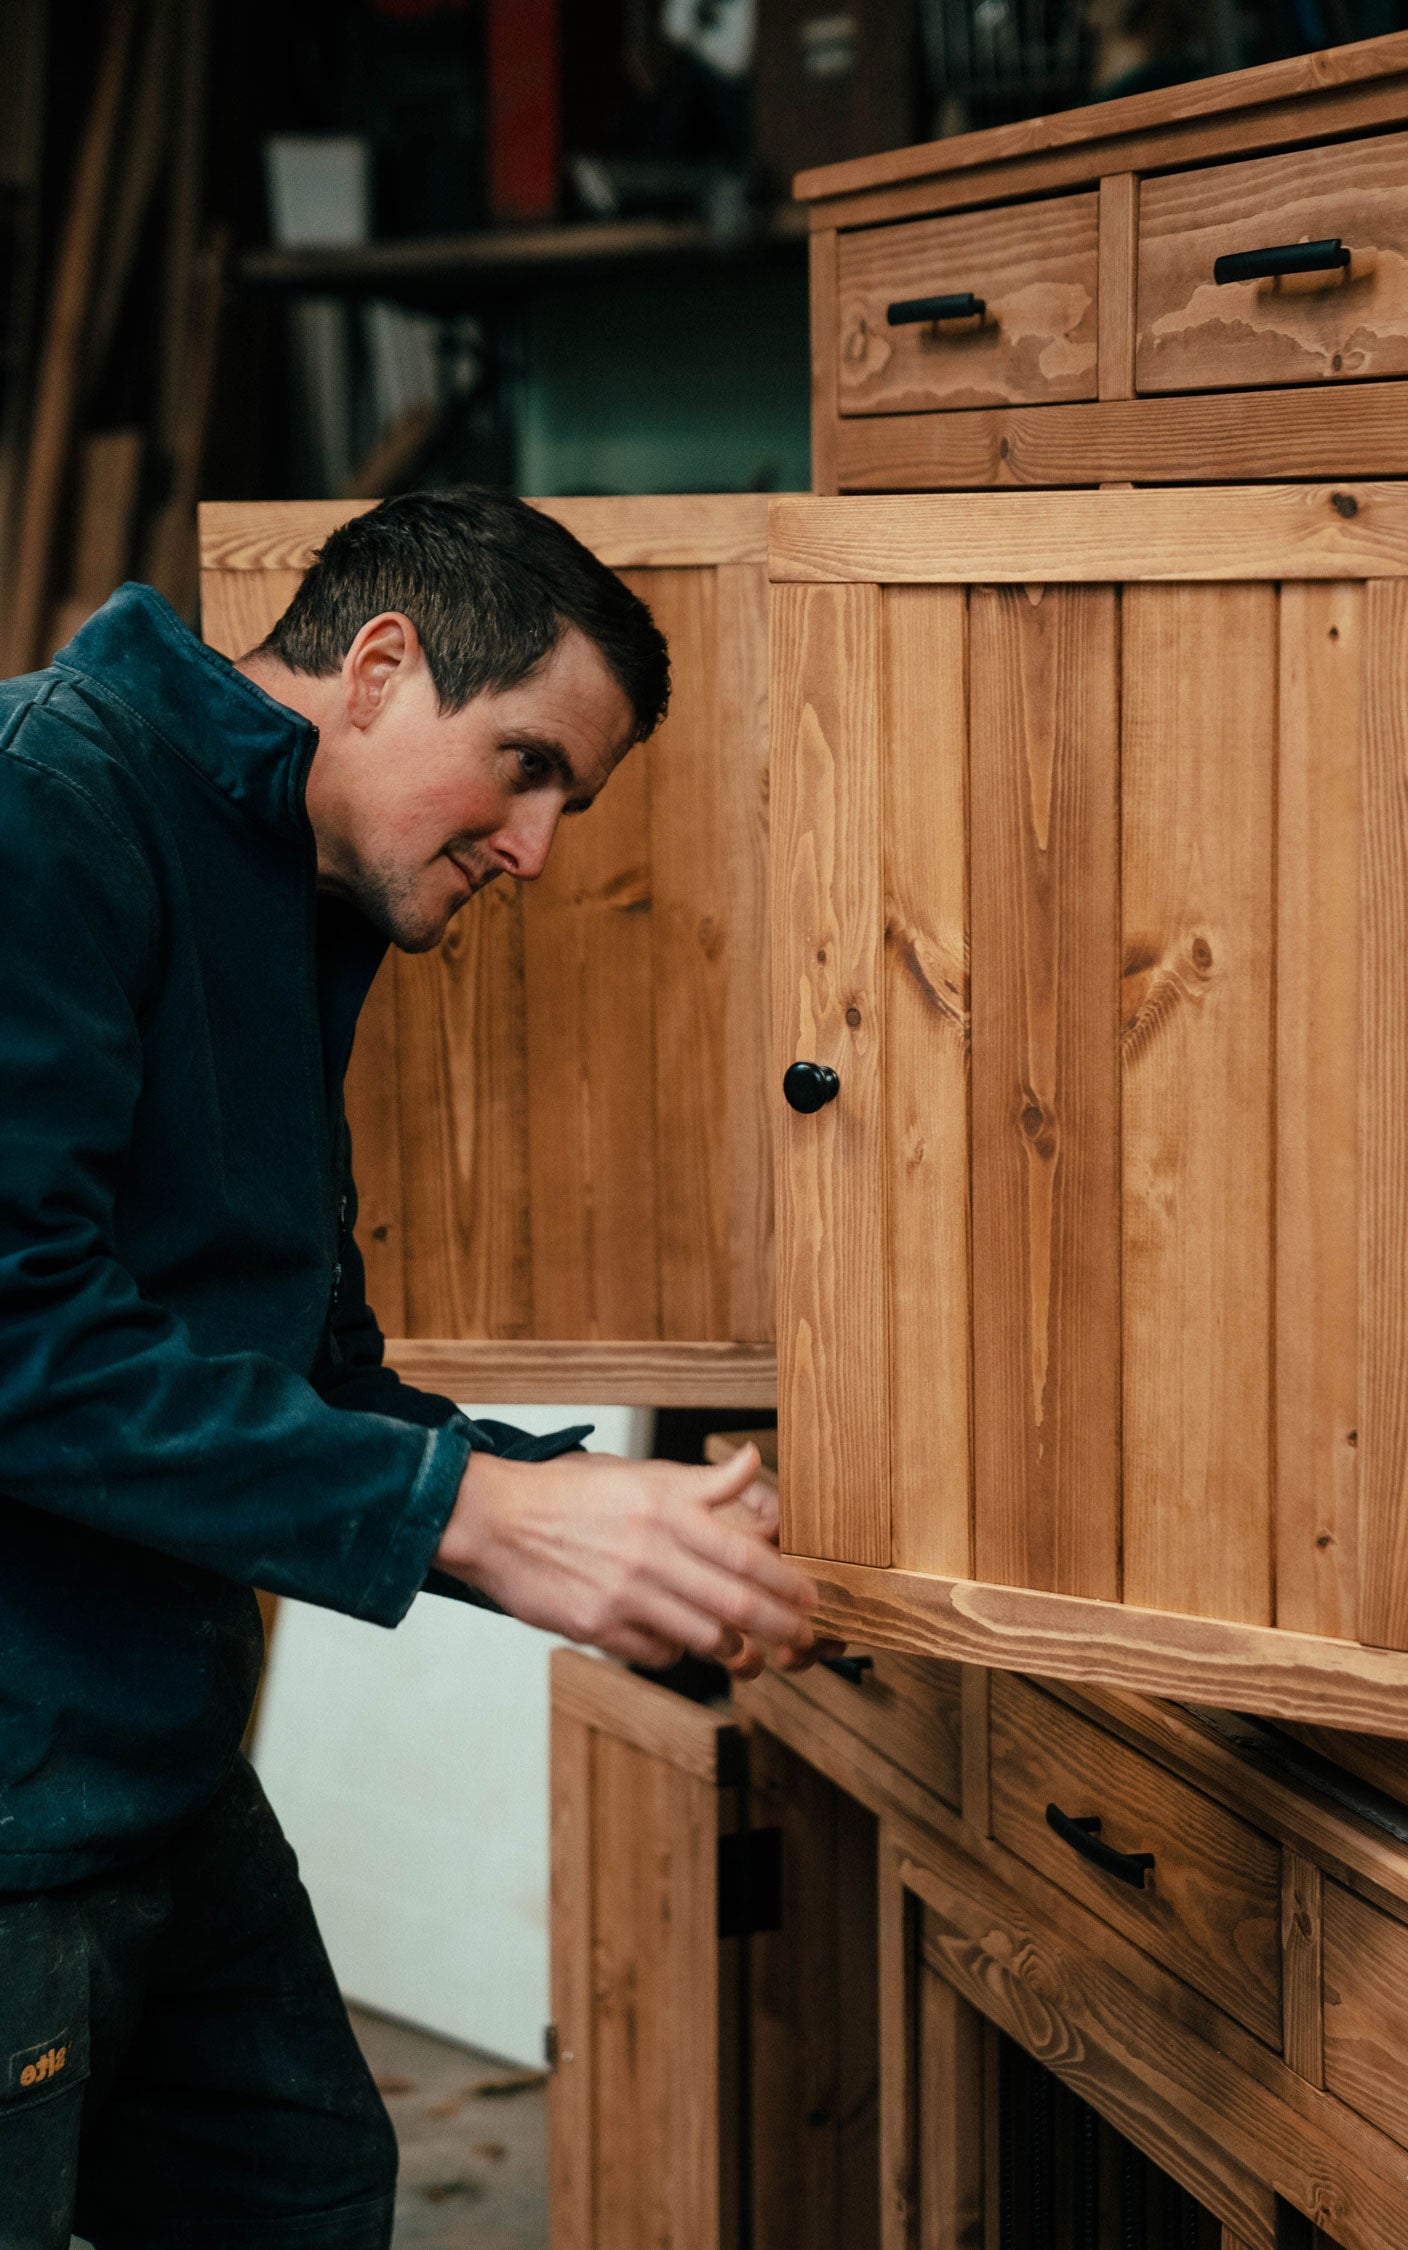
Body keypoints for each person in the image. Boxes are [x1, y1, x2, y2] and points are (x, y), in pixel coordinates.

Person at [0, 490, 819, 2250]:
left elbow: (304, 1372)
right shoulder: (42, 807)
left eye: (565, 805)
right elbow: (19, 1338)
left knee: (296, 2180)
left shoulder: (298, 885)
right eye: (522, 765)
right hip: (13, 1790)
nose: (535, 848)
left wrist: (571, 1498)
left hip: (146, 1751)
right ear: (378, 666)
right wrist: (473, 1519)